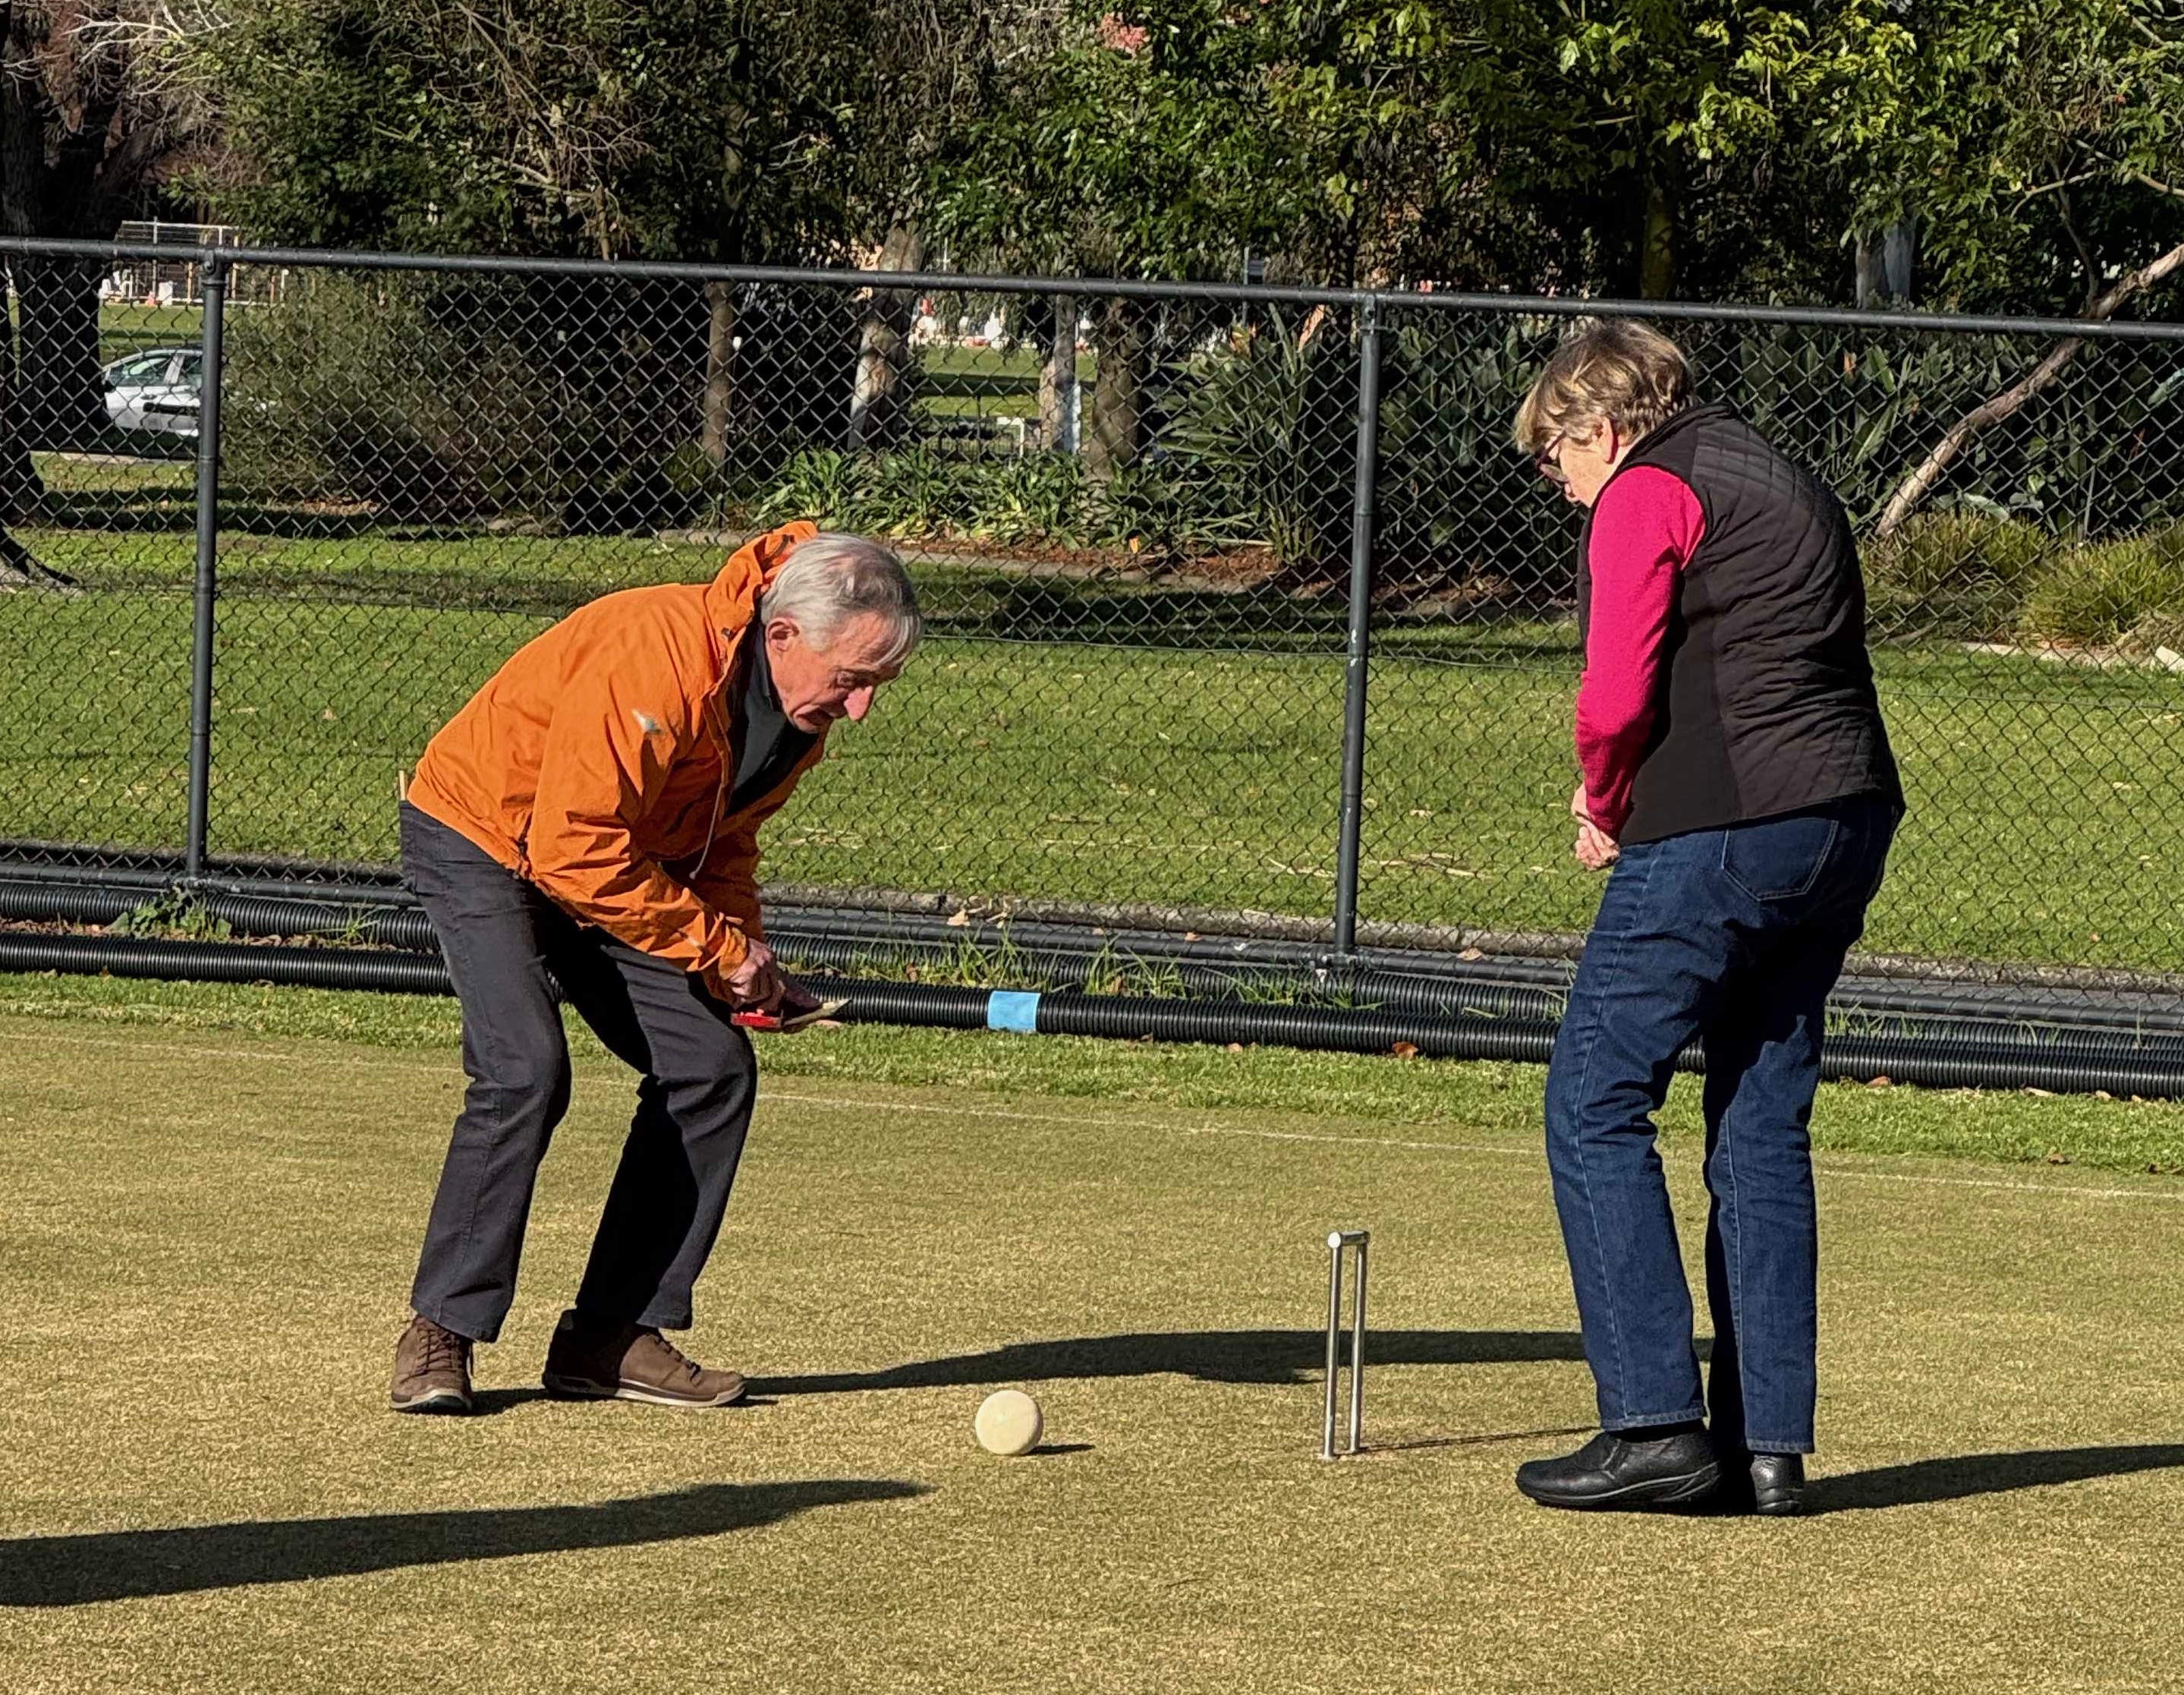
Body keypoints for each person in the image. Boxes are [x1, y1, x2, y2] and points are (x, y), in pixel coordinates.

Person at [389, 524, 920, 1414]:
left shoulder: (795, 716)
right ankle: (440, 1330)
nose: (860, 706)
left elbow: (720, 845)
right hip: (483, 835)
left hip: (614, 860)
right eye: (854, 677)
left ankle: (611, 1336)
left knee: (710, 1069)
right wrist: (716, 949)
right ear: (783, 634)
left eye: (875, 686)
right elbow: (570, 845)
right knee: (525, 1067)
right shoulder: (657, 653)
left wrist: (741, 966)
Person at [1509, 320, 1902, 1514]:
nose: (1558, 482)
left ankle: (1651, 1425)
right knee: (1757, 1119)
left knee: (1591, 1094)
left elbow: (1615, 684)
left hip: (1723, 828)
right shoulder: (1779, 473)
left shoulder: (1645, 488)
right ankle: (1766, 1448)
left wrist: (1604, 798)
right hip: (1844, 819)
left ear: (1600, 421)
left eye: (1555, 455)